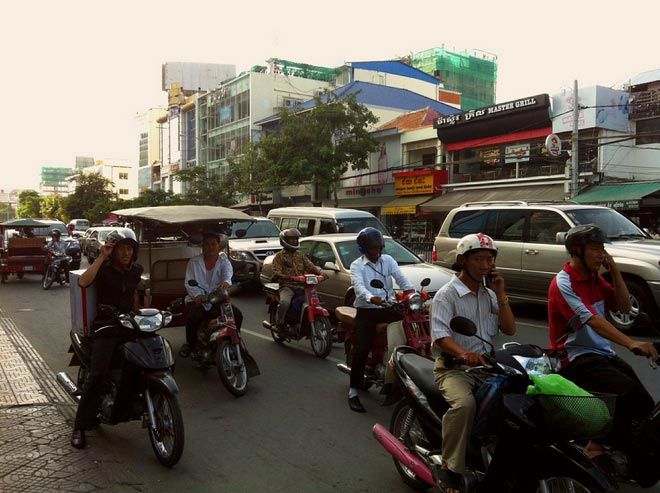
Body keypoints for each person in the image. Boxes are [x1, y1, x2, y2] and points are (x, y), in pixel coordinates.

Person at [548, 224, 657, 466]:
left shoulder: (595, 279)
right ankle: (595, 447)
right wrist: (630, 343)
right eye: (596, 249)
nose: (602, 254)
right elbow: (593, 320)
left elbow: (625, 307)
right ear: (577, 251)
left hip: (601, 353)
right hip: (574, 357)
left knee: (645, 405)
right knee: (625, 391)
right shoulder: (563, 283)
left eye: (603, 249)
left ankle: (622, 447)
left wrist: (615, 271)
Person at [430, 233, 516, 492]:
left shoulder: (490, 295)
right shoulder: (447, 295)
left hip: (488, 368)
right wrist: (464, 353)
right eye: (478, 259)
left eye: (489, 259)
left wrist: (501, 293)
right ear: (463, 261)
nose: (484, 265)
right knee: (465, 405)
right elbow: (441, 337)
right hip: (455, 370)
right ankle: (450, 468)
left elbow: (510, 330)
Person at [71, 229, 144, 449]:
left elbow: (133, 295)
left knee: (150, 355)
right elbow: (83, 283)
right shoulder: (103, 269)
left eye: (130, 248)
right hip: (106, 325)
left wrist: (140, 313)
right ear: (114, 250)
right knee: (97, 375)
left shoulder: (136, 270)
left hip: (129, 323)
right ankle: (79, 427)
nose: (126, 253)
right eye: (122, 248)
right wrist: (102, 256)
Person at [348, 227, 414, 413]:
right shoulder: (357, 265)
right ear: (364, 249)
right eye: (372, 249)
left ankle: (394, 375)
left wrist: (413, 294)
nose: (376, 252)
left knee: (411, 330)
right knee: (361, 349)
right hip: (367, 310)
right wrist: (371, 298)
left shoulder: (388, 261)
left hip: (388, 307)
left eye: (378, 248)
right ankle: (353, 391)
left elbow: (402, 280)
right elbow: (359, 288)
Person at [181, 231, 243, 359]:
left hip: (217, 299)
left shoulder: (224, 262)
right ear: (202, 246)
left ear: (218, 246)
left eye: (213, 244)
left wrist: (226, 283)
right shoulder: (194, 262)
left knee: (237, 314)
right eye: (207, 244)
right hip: (198, 299)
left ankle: (235, 338)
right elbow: (189, 282)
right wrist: (197, 296)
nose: (210, 247)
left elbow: (227, 276)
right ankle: (191, 344)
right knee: (194, 316)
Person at [271, 228, 321, 330]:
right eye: (291, 239)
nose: (294, 241)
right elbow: (276, 272)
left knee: (315, 302)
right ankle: (279, 323)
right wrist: (288, 277)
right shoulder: (279, 256)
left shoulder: (300, 254)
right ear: (285, 240)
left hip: (303, 286)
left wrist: (321, 274)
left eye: (295, 239)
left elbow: (310, 266)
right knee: (285, 302)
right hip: (287, 286)